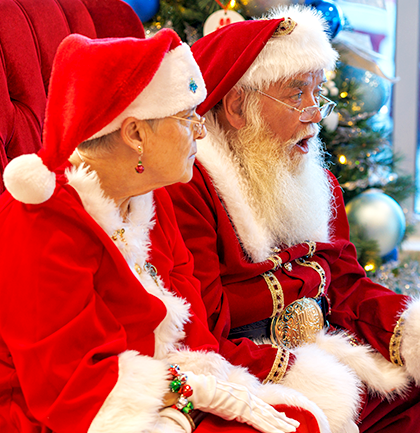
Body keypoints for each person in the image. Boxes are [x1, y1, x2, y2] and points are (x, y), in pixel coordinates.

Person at [164, 5, 420, 433]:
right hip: (243, 369)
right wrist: (303, 375)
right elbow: (199, 336)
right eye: (296, 94)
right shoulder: (190, 186)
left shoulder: (311, 178)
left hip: (319, 350)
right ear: (237, 107)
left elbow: (344, 286)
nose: (315, 112)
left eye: (317, 92)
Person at [0, 29, 330, 433]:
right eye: (187, 117)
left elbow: (195, 338)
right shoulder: (41, 223)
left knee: (303, 418)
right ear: (136, 133)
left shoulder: (151, 200)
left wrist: (198, 396)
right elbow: (73, 390)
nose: (201, 130)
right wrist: (194, 397)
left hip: (163, 395)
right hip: (79, 415)